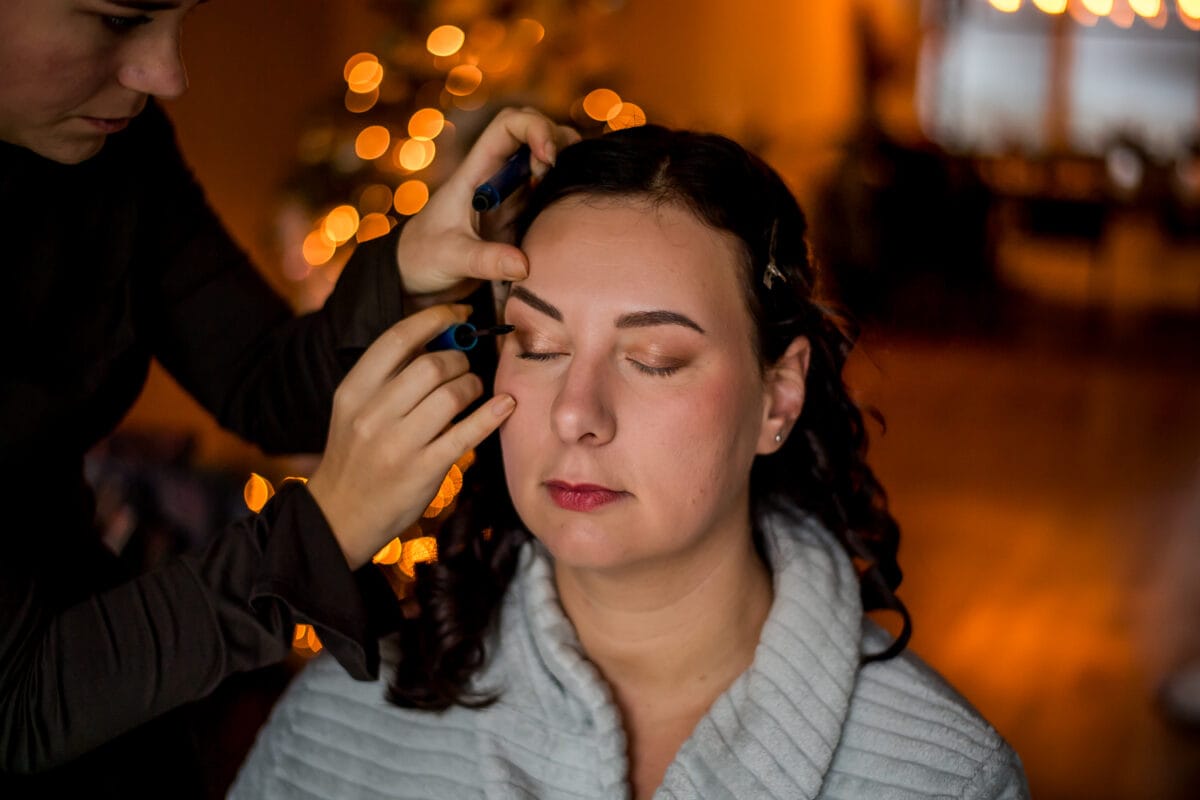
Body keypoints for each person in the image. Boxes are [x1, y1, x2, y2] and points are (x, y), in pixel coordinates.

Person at [231, 125, 1030, 799]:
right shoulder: (339, 725)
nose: (577, 413)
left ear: (778, 399)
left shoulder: (940, 775)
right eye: (539, 347)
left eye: (652, 358)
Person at [0, 1, 577, 795]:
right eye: (116, 17)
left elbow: (262, 381)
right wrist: (325, 528)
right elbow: (21, 708)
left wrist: (410, 265)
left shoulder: (115, 151)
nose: (167, 73)